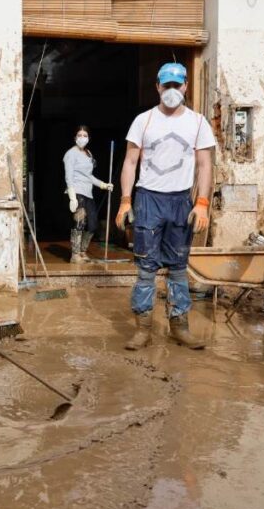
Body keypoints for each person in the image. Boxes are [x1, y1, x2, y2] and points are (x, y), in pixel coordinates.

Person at [115, 62, 216, 351]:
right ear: (158, 87)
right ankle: (143, 329)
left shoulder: (197, 122)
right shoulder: (143, 120)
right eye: (166, 85)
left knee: (178, 268)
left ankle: (179, 328)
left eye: (177, 85)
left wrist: (202, 203)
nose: (172, 91)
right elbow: (130, 162)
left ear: (185, 86)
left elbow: (204, 164)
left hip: (180, 201)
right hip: (148, 199)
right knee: (146, 268)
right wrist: (125, 201)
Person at [64, 125, 113, 263]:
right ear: (75, 137)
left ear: (89, 138)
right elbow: (69, 176)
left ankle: (82, 251)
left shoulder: (89, 154)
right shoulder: (70, 154)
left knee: (92, 224)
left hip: (88, 192)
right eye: (79, 135)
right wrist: (72, 197)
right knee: (80, 221)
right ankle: (75, 254)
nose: (82, 138)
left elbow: (89, 176)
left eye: (85, 135)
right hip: (76, 191)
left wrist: (103, 184)